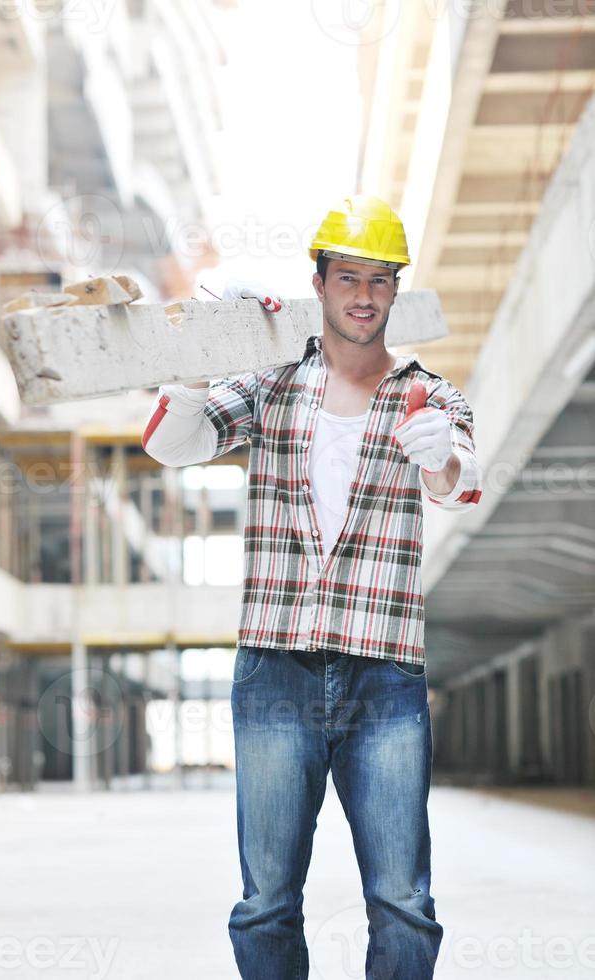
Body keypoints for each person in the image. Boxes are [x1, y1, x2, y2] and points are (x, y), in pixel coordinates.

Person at [142, 196, 482, 979]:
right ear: (321, 283)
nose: (364, 295)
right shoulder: (271, 387)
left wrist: (442, 456)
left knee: (403, 901)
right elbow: (172, 445)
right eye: (348, 277)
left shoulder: (431, 396)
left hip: (385, 677)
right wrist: (196, 364)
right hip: (274, 674)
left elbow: (462, 485)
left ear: (396, 292)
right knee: (265, 902)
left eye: (380, 281)